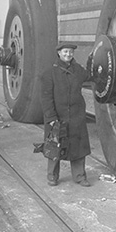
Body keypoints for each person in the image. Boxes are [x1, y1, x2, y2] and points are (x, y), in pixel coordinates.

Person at [40, 42, 92, 187]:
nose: (68, 55)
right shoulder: (49, 73)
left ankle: (80, 177)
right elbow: (46, 97)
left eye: (70, 52)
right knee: (54, 146)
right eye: (65, 52)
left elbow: (90, 76)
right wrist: (51, 117)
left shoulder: (78, 70)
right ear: (59, 53)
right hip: (57, 117)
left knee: (78, 147)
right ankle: (52, 176)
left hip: (76, 116)